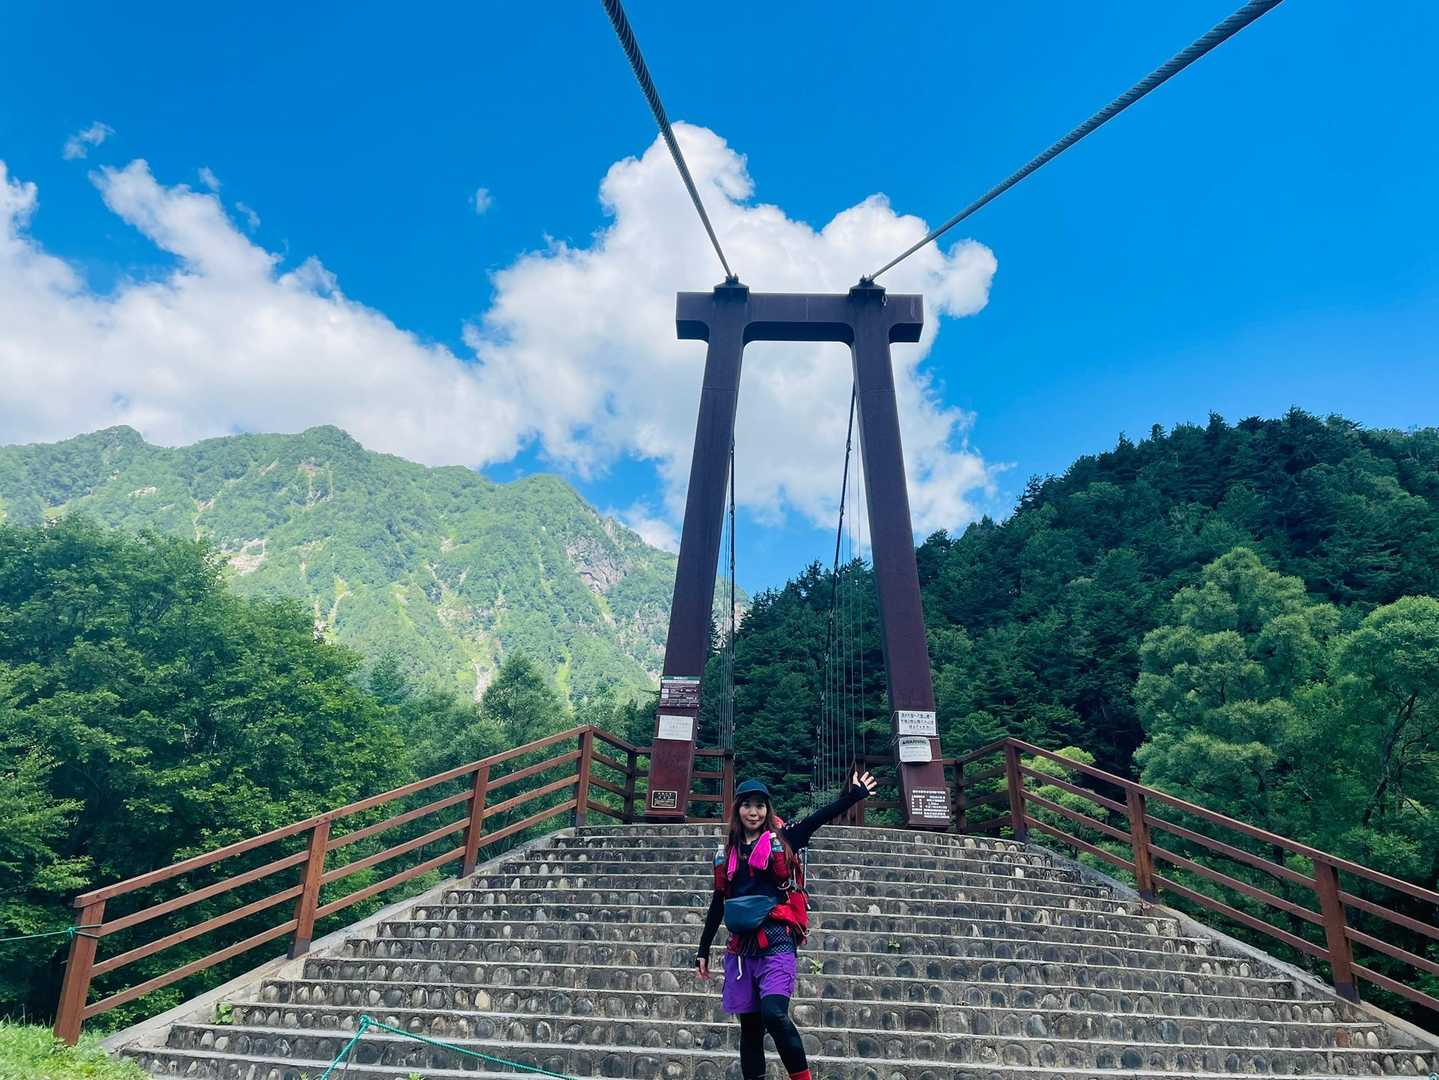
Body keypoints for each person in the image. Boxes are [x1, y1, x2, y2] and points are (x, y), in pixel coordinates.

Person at [696, 769, 877, 1080]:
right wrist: (703, 949)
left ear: (768, 810)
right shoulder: (727, 853)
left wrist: (852, 797)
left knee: (774, 1014)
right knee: (750, 1028)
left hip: (777, 941)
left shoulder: (785, 839)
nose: (754, 812)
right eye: (747, 805)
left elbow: (817, 818)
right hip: (741, 950)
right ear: (738, 809)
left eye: (760, 805)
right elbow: (718, 903)